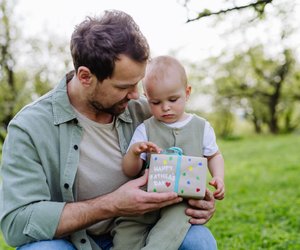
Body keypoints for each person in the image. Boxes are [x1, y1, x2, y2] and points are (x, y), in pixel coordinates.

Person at [0, 10, 216, 250]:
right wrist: (112, 204)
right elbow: (17, 223)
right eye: (124, 86)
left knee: (199, 241)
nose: (136, 95)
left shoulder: (146, 112)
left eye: (138, 83)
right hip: (71, 242)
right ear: (85, 76)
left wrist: (199, 201)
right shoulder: (29, 127)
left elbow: (189, 160)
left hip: (143, 233)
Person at [110, 55, 224, 250]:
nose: (165, 107)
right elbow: (129, 171)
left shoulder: (201, 127)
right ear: (147, 98)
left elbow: (214, 155)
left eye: (173, 99)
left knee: (171, 229)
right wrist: (135, 154)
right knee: (126, 233)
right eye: (155, 102)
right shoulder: (145, 129)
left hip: (182, 199)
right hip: (145, 200)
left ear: (187, 93)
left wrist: (219, 177)